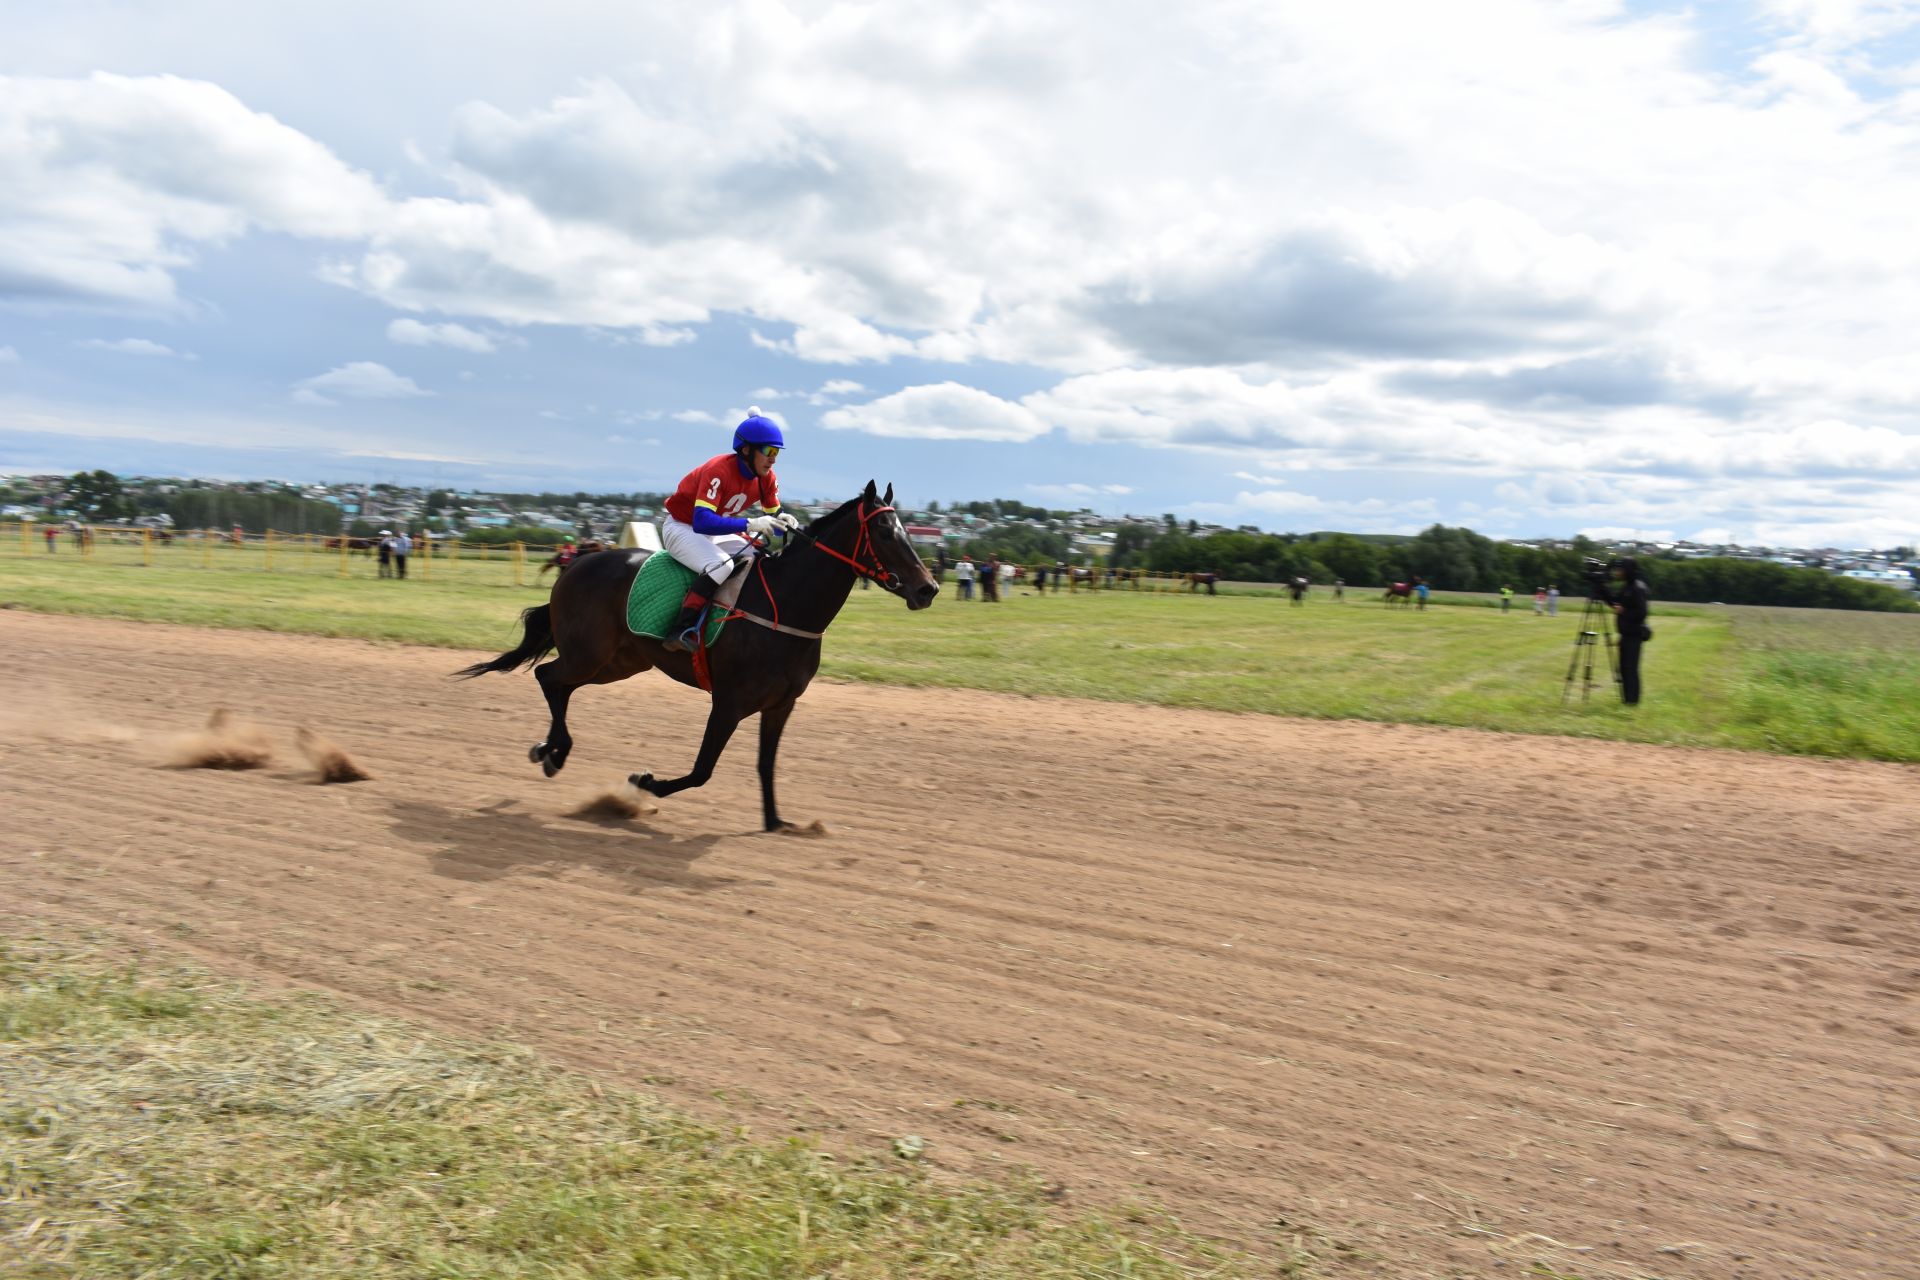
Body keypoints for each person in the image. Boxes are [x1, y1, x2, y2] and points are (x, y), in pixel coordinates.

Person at [659, 408, 799, 650]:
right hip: (682, 528)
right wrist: (750, 523)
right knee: (721, 566)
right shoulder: (718, 470)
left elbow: (773, 525)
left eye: (776, 452)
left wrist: (783, 521)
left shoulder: (766, 477)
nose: (773, 458)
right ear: (746, 450)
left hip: (715, 533)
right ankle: (680, 630)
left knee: (760, 559)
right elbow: (702, 521)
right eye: (769, 451)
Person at [1608, 557, 1651, 706]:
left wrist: (1624, 611)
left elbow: (1642, 612)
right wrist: (1602, 589)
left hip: (1634, 635)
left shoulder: (1638, 588)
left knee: (1630, 669)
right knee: (1623, 669)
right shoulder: (1626, 587)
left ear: (1628, 570)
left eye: (1620, 569)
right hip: (1626, 635)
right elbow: (1615, 603)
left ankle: (1632, 701)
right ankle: (1627, 700)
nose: (1617, 572)